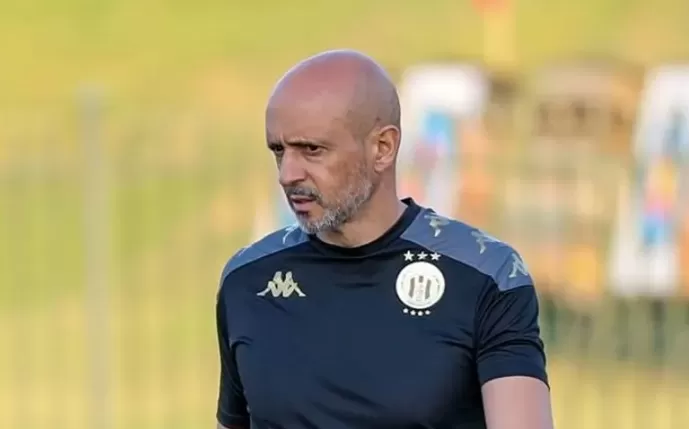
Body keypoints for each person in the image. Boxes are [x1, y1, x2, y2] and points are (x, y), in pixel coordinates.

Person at [215, 49, 553, 429]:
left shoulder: (486, 275)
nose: (288, 174)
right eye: (279, 151)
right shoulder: (248, 281)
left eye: (312, 150)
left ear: (383, 148)